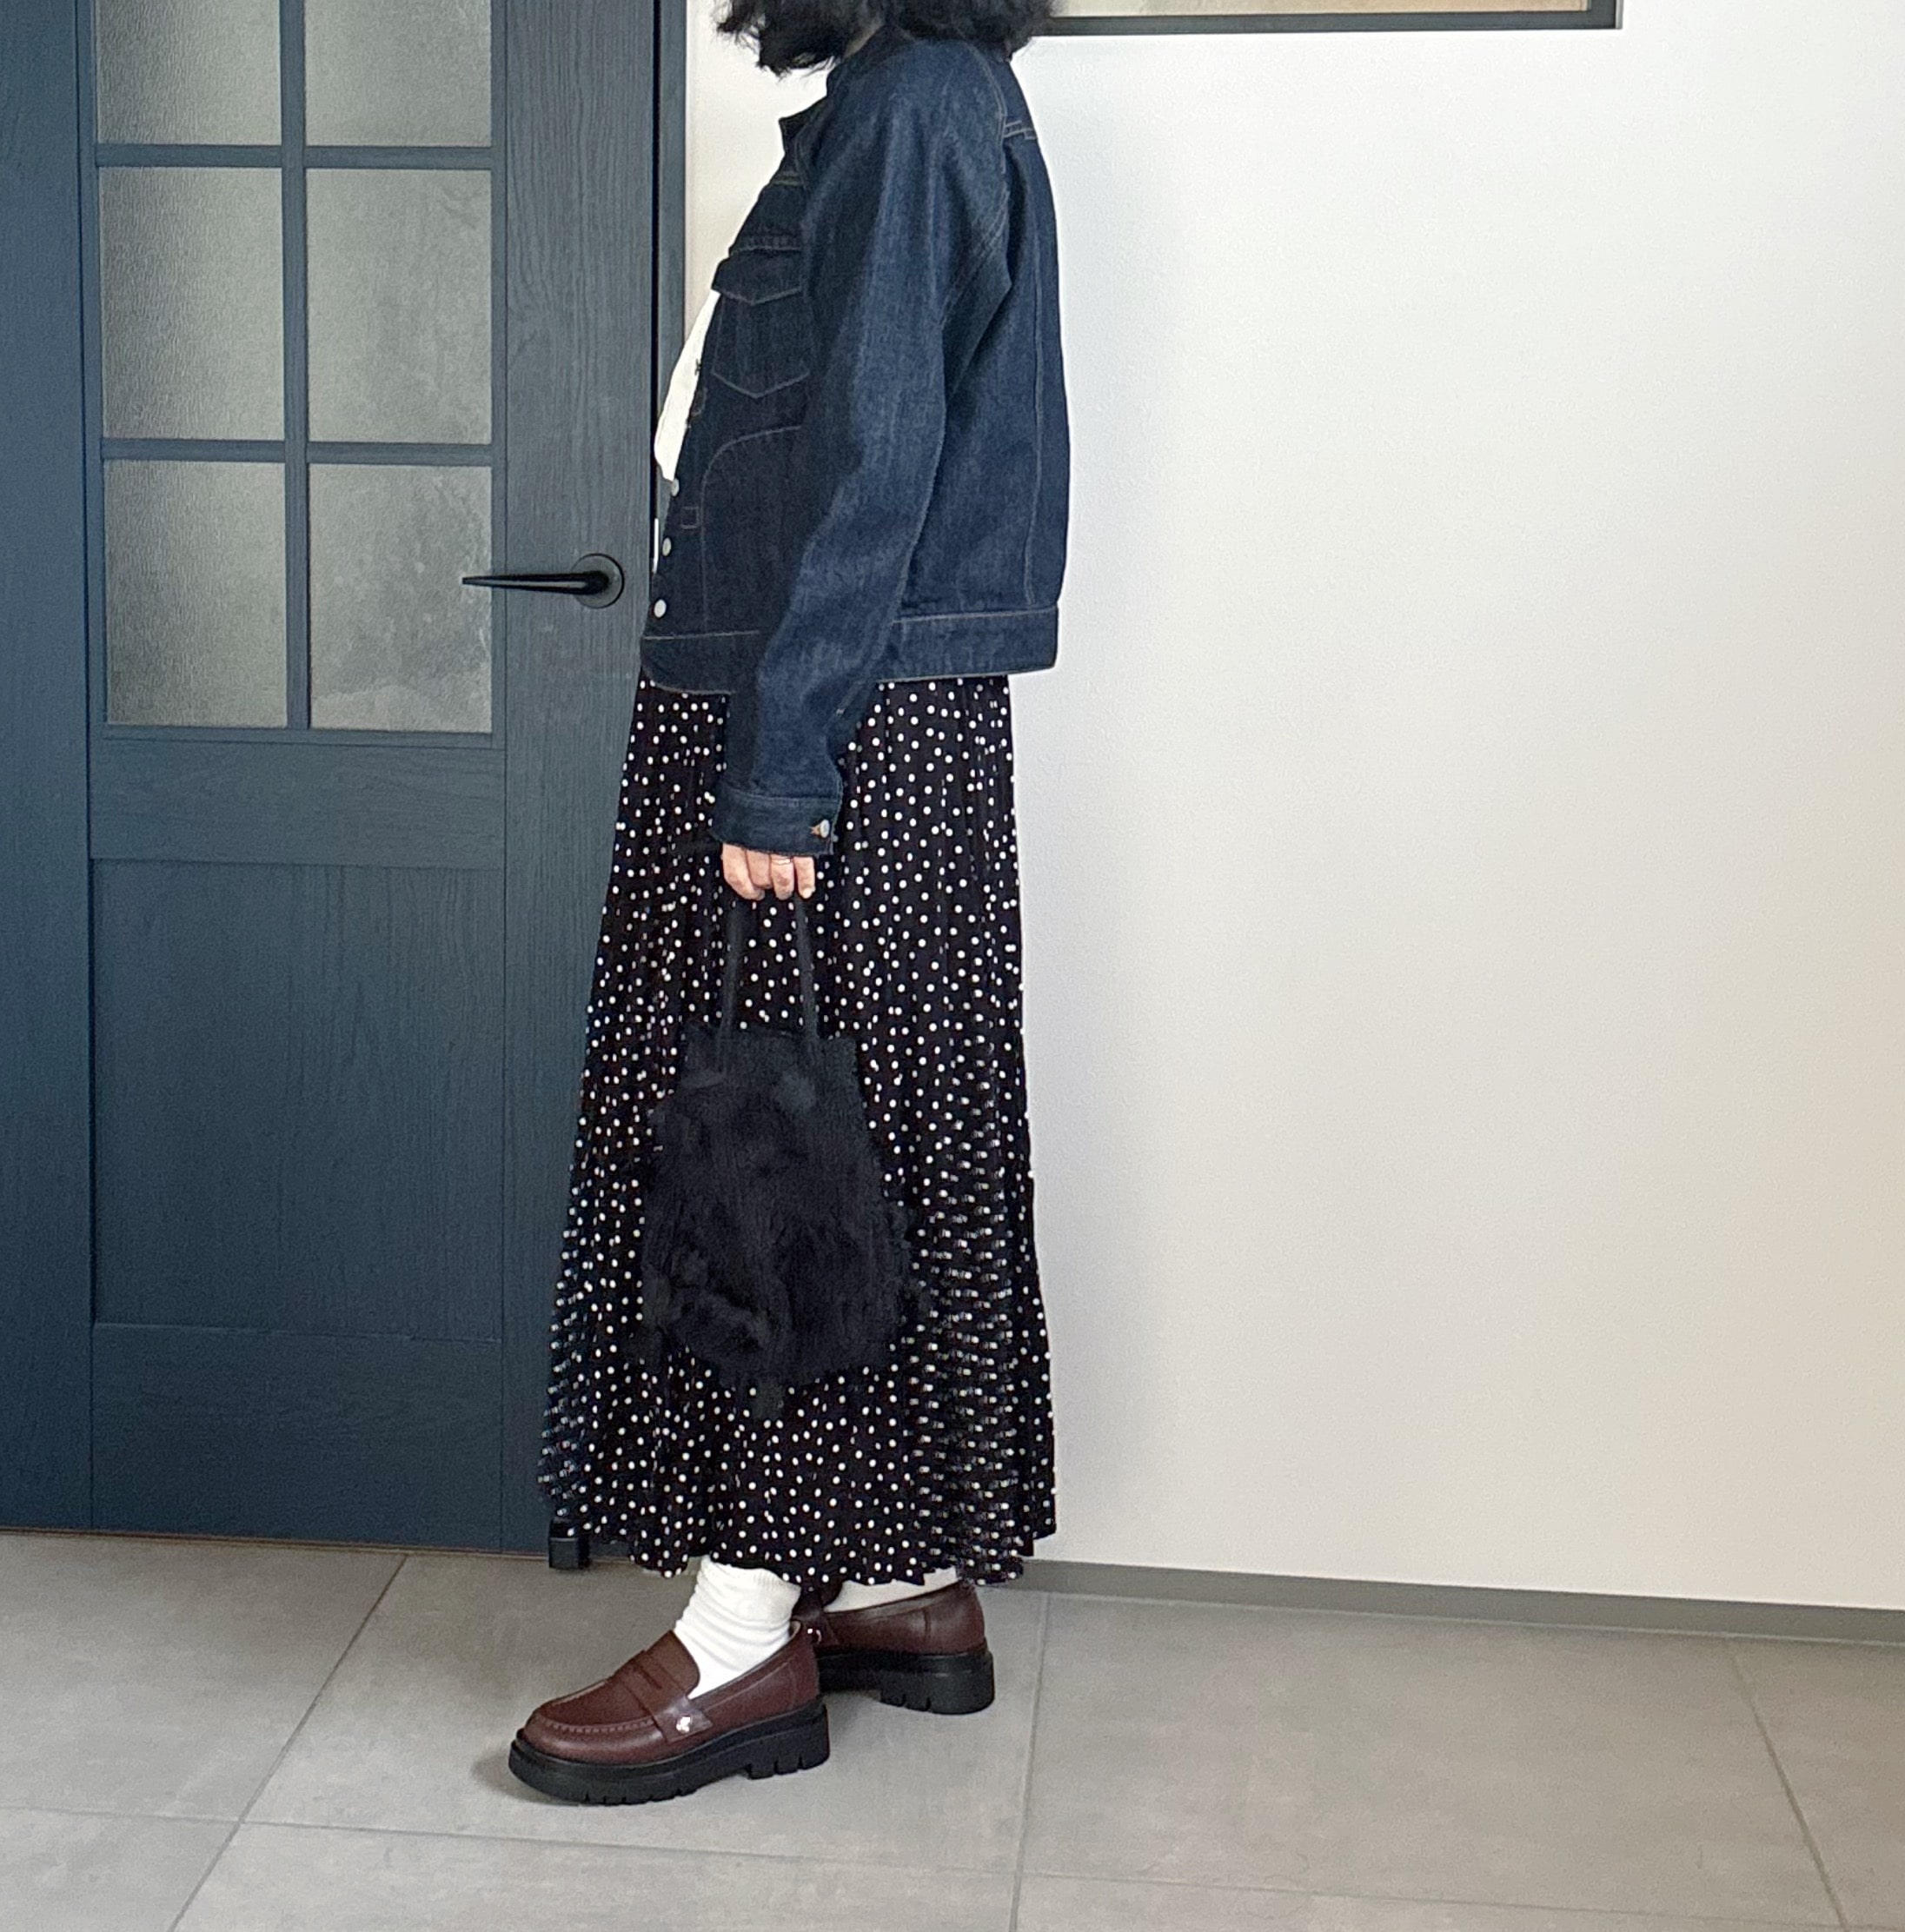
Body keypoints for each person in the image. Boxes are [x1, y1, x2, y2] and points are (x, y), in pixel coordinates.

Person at [509, 0, 1068, 1805]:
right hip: (831, 715)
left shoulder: (913, 111)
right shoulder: (909, 104)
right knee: (852, 1137)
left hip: (823, 726)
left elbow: (874, 460)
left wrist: (779, 767)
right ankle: (899, 1583)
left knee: (777, 1168)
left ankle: (746, 1628)